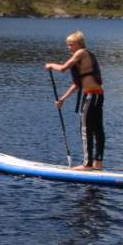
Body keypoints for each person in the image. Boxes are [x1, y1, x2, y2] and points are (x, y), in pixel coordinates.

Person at [46, 30, 105, 170]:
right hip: (96, 96)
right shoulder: (83, 59)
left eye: (70, 44)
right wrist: (63, 99)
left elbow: (62, 69)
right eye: (68, 45)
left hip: (91, 96)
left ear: (78, 44)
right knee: (97, 129)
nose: (68, 47)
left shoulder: (81, 53)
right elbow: (77, 84)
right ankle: (97, 163)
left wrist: (51, 65)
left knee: (86, 129)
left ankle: (88, 164)